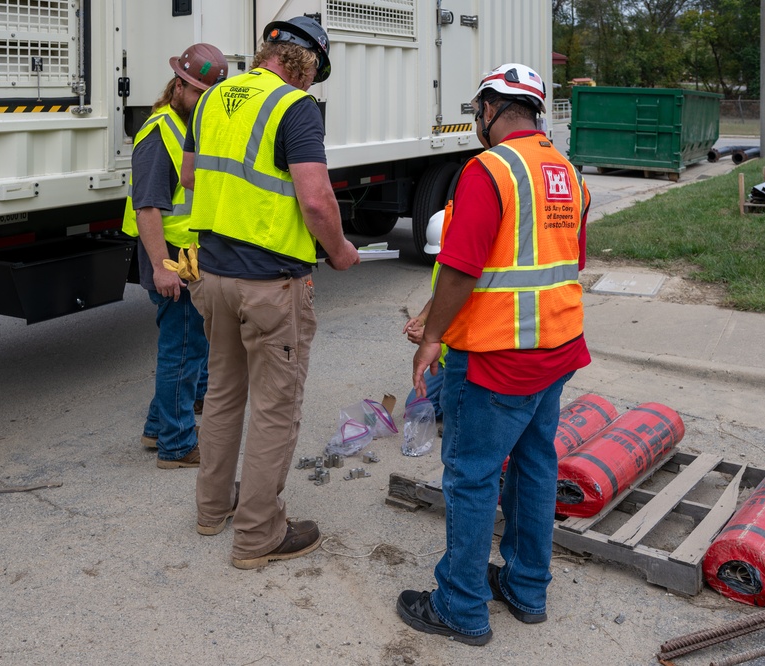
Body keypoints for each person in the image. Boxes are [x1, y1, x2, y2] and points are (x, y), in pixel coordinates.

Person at [396, 63, 592, 645]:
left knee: (472, 478)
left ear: (490, 110)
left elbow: (461, 268)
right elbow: (568, 262)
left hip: (495, 359)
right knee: (534, 465)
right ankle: (527, 589)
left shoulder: (491, 169)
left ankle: (460, 607)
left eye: (477, 111)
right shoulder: (570, 173)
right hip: (555, 351)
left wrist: (433, 335)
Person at [181, 16, 360, 568]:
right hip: (270, 286)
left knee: (224, 397)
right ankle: (259, 534)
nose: (311, 87)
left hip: (212, 278)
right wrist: (340, 250)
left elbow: (189, 176)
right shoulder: (294, 107)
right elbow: (314, 199)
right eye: (314, 74)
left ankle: (213, 508)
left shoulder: (211, 100)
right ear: (305, 63)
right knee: (274, 410)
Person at [121, 44, 228, 469]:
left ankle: (156, 429)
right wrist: (165, 267)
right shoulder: (158, 131)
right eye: (199, 91)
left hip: (188, 256)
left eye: (210, 94)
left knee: (187, 348)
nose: (204, 101)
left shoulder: (187, 126)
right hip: (171, 260)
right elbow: (147, 207)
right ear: (179, 85)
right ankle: (177, 446)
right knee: (181, 353)